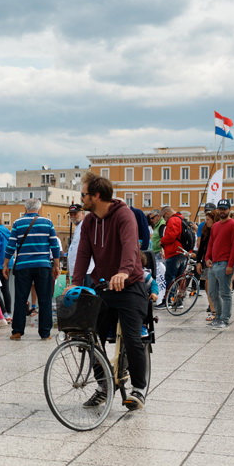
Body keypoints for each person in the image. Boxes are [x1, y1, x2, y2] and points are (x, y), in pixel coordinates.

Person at [72, 176, 149, 410]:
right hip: (104, 286)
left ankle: (138, 389)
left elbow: (130, 245)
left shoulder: (124, 215)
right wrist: (75, 283)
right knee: (89, 338)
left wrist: (124, 271)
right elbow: (83, 254)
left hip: (130, 285)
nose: (81, 199)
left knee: (132, 337)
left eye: (83, 195)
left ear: (96, 196)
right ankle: (104, 385)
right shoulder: (89, 221)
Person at [4, 197, 62, 341]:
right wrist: (56, 265)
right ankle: (45, 333)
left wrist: (5, 264)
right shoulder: (47, 223)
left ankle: (17, 331)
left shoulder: (17, 223)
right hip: (43, 266)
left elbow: (10, 246)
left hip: (23, 266)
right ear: (39, 208)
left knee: (21, 298)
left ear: (25, 208)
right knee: (45, 299)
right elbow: (54, 246)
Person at [204, 199, 234, 330]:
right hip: (213, 263)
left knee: (225, 293)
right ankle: (218, 317)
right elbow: (211, 243)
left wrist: (230, 264)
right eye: (220, 208)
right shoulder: (215, 226)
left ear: (229, 210)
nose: (222, 211)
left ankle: (224, 320)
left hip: (225, 262)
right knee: (212, 292)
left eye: (224, 209)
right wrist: (207, 257)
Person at [159, 206, 187, 306]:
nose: (164, 219)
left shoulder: (173, 219)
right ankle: (178, 301)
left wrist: (162, 241)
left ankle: (167, 301)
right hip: (182, 252)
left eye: (163, 216)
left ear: (167, 213)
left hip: (174, 252)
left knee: (170, 277)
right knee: (179, 278)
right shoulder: (181, 218)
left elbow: (171, 236)